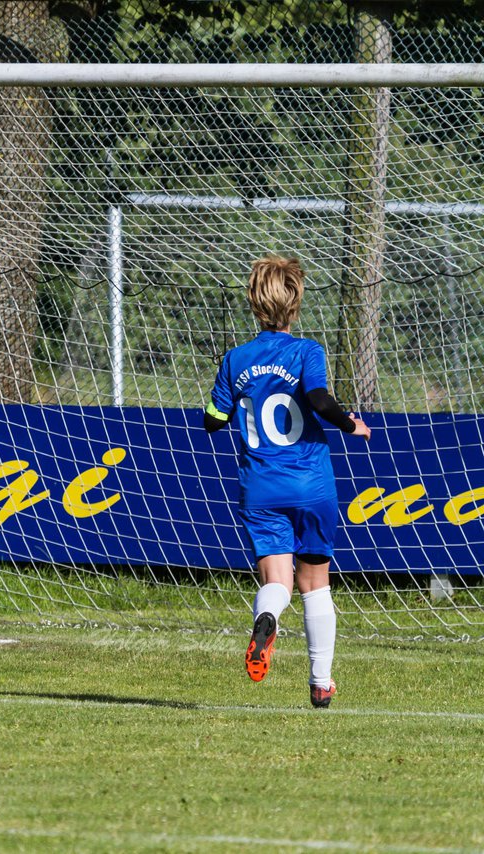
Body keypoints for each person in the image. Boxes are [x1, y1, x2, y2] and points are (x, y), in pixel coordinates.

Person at [205, 255, 371, 709]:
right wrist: (348, 423)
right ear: (295, 304)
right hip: (310, 485)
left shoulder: (236, 358)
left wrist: (225, 406)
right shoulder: (307, 351)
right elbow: (317, 397)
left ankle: (266, 618)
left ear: (253, 304)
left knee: (276, 577)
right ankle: (321, 683)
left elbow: (213, 420)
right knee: (315, 581)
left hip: (260, 485)